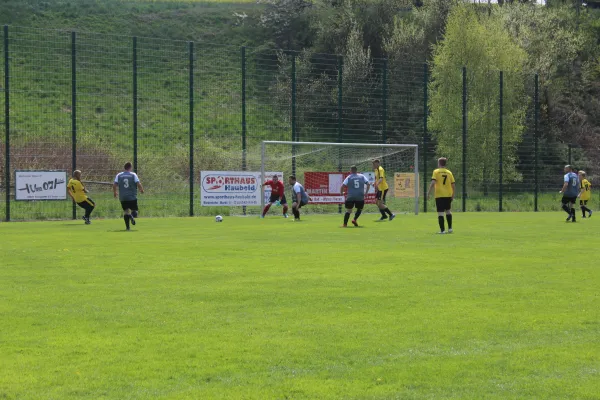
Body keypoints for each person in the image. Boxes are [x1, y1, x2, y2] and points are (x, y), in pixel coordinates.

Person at [427, 157, 455, 234]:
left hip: (439, 195)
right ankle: (450, 229)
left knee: (440, 213)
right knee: (448, 211)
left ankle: (442, 230)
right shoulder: (449, 172)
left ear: (439, 163)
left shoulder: (436, 172)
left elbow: (433, 183)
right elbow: (453, 185)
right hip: (448, 194)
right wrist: (453, 194)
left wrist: (428, 193)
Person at [113, 162, 144, 231]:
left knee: (126, 211)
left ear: (124, 168)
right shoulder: (133, 174)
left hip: (123, 197)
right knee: (135, 212)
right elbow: (138, 183)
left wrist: (115, 192)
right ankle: (131, 216)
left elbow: (114, 185)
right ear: (130, 167)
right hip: (132, 197)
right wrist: (141, 189)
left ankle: (128, 228)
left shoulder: (119, 175)